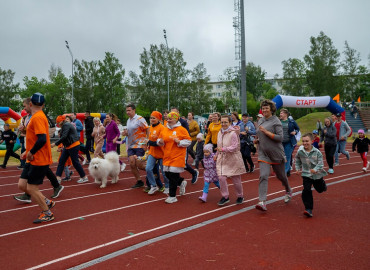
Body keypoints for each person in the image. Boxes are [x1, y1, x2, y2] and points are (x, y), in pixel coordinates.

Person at [16, 93, 56, 223]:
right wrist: (27, 151)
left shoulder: (38, 117)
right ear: (43, 105)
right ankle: (46, 201)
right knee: (22, 185)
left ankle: (47, 213)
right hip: (31, 157)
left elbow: (42, 139)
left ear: (31, 104)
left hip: (39, 158)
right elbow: (34, 136)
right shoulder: (35, 117)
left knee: (32, 188)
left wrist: (31, 152)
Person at [254, 100, 293, 211]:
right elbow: (259, 133)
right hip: (263, 153)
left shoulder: (276, 121)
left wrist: (266, 132)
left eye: (267, 108)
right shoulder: (261, 120)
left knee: (281, 176)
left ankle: (288, 189)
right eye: (263, 108)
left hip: (276, 153)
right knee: (263, 175)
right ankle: (262, 201)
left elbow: (280, 138)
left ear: (271, 109)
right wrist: (257, 140)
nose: (265, 110)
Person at [157, 111, 191, 203]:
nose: (168, 120)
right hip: (167, 155)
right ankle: (181, 182)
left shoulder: (181, 129)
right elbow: (160, 140)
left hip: (178, 155)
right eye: (167, 118)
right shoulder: (164, 129)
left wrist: (179, 142)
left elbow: (188, 141)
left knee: (172, 175)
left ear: (176, 119)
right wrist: (159, 142)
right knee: (167, 174)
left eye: (170, 118)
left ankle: (172, 196)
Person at [216, 115, 246, 206]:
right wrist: (217, 155)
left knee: (236, 179)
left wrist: (223, 149)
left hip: (233, 158)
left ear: (230, 123)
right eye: (222, 122)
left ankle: (240, 196)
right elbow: (219, 146)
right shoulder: (219, 133)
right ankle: (225, 196)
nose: (223, 124)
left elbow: (235, 147)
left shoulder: (233, 133)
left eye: (225, 122)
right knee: (221, 177)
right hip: (222, 159)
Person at [295, 133, 328, 217]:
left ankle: (323, 185)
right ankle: (308, 209)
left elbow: (321, 164)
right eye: (303, 141)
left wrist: (315, 169)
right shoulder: (300, 151)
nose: (305, 143)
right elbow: (297, 159)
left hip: (317, 175)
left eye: (307, 141)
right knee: (306, 190)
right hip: (306, 174)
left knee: (320, 189)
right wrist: (298, 168)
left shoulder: (317, 152)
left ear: (312, 141)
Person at [51, 115, 89, 184]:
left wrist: (55, 144)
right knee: (61, 161)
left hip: (73, 145)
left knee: (75, 162)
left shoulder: (66, 125)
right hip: (68, 146)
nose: (57, 124)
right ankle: (58, 177)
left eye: (58, 122)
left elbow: (64, 136)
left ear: (61, 121)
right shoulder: (65, 125)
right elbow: (64, 137)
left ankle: (84, 177)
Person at [122, 104, 149, 188]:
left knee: (139, 164)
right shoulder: (128, 120)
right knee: (131, 163)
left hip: (139, 144)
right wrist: (125, 133)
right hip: (130, 145)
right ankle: (139, 181)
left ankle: (153, 171)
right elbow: (129, 132)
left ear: (134, 110)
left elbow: (147, 128)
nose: (127, 112)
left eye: (129, 110)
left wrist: (147, 141)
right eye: (126, 110)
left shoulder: (140, 119)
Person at [171, 107, 199, 184]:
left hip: (182, 146)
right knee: (173, 164)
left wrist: (180, 141)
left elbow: (187, 135)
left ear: (178, 113)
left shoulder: (183, 122)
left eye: (175, 113)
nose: (173, 114)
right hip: (173, 147)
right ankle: (178, 180)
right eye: (171, 113)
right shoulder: (170, 122)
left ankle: (193, 173)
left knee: (183, 164)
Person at [145, 111, 169, 195]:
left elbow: (161, 142)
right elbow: (149, 139)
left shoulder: (162, 128)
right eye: (151, 118)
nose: (152, 119)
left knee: (164, 172)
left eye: (154, 118)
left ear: (158, 119)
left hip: (162, 153)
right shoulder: (150, 127)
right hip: (152, 152)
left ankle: (167, 186)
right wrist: (148, 144)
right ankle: (153, 185)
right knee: (148, 168)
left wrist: (150, 142)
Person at [279, 108, 300, 177]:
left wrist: (295, 132)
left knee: (287, 157)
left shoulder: (291, 121)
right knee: (282, 157)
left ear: (286, 114)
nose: (280, 114)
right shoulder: (278, 121)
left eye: (281, 113)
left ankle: (284, 172)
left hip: (289, 142)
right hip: (280, 142)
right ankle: (287, 171)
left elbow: (297, 128)